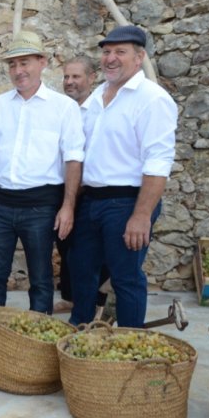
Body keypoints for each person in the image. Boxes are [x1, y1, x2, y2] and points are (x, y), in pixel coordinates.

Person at [0, 30, 85, 359]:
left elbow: (73, 158)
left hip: (42, 204)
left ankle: (38, 345)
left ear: (42, 63)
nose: (19, 70)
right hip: (1, 203)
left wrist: (68, 206)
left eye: (25, 62)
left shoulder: (63, 108)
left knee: (41, 278)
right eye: (13, 64)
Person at [68, 25, 177, 328]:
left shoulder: (152, 99)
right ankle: (79, 335)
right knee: (82, 271)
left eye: (120, 52)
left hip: (127, 201)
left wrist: (141, 215)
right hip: (91, 201)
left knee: (126, 277)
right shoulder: (96, 97)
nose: (111, 58)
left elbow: (158, 161)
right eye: (106, 52)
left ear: (140, 56)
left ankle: (129, 343)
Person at [54, 56, 110, 314]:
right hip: (63, 189)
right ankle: (71, 297)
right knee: (65, 246)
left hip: (88, 191)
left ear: (91, 78)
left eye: (76, 77)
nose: (69, 82)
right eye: (66, 77)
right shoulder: (62, 108)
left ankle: (97, 300)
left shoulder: (99, 111)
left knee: (86, 252)